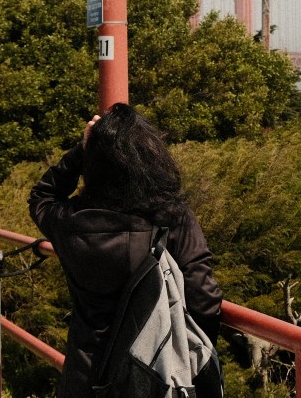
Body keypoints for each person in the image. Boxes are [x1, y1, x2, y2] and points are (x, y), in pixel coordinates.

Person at [29, 103, 222, 397]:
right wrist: (192, 356)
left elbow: (42, 196)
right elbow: (203, 297)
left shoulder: (71, 222)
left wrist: (83, 149)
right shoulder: (172, 216)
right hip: (152, 376)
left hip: (84, 378)